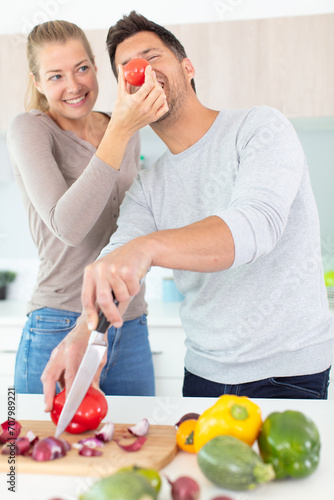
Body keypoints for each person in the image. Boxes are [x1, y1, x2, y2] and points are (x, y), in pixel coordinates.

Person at [42, 11, 333, 407]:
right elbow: (119, 255)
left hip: (289, 374)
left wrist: (147, 248)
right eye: (125, 68)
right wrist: (82, 334)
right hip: (203, 376)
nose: (138, 70)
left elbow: (256, 226)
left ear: (187, 66)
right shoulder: (149, 184)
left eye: (151, 56)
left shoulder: (260, 128)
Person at [7, 19, 168, 396]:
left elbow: (135, 218)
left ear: (97, 68)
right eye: (56, 76)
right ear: (37, 83)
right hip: (58, 322)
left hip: (129, 323)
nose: (74, 85)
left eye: (81, 68)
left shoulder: (123, 128)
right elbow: (69, 226)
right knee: (38, 450)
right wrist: (121, 130)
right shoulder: (31, 130)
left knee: (136, 448)